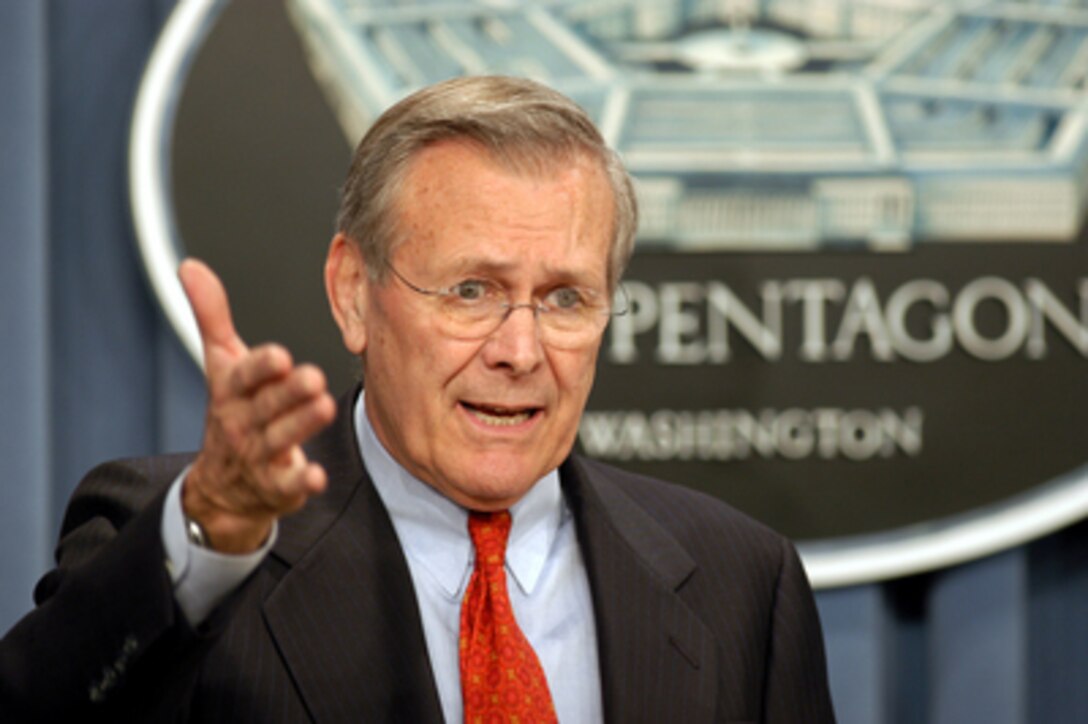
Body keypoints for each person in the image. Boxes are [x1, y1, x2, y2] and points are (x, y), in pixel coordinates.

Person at [0, 75, 835, 722]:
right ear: (355, 292)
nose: (519, 351)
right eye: (471, 290)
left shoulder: (740, 585)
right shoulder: (192, 545)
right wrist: (206, 539)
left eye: (566, 299)